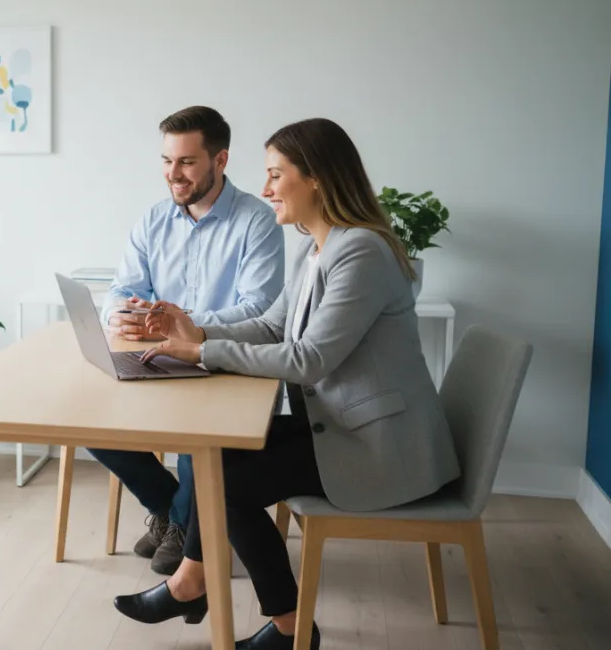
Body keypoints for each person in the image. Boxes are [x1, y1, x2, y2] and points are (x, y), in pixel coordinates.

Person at [110, 117, 462, 650]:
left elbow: (310, 358)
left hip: (379, 448)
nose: (267, 188)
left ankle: (284, 624)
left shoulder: (360, 252)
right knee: (217, 459)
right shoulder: (320, 245)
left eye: (276, 175)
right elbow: (275, 325)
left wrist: (202, 352)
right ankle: (194, 585)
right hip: (344, 426)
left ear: (316, 178)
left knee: (221, 484)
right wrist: (197, 327)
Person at [91, 105, 285, 576]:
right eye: (166, 161)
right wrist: (125, 315)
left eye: (186, 162)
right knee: (93, 419)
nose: (172, 175)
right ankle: (176, 514)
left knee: (201, 437)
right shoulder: (154, 220)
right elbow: (122, 289)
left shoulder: (257, 221)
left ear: (220, 160)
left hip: (226, 362)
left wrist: (183, 326)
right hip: (159, 358)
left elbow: (258, 311)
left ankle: (177, 524)